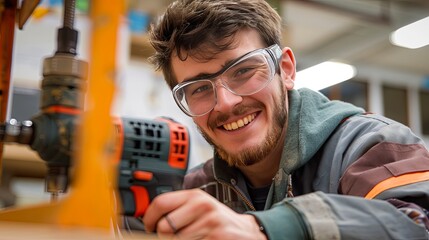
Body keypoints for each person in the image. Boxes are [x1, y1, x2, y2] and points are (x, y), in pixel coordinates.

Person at [142, 0, 429, 239]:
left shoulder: (372, 146)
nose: (226, 103)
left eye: (243, 71)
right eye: (200, 89)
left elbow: (418, 223)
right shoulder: (198, 188)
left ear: (287, 70)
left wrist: (267, 228)